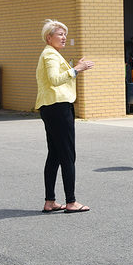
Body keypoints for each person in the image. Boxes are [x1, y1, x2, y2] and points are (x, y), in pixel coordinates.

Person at [35, 19, 94, 213]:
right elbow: (54, 80)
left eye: (65, 34)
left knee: (55, 155)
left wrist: (73, 68)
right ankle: (71, 201)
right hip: (58, 108)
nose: (64, 37)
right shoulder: (50, 55)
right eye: (60, 34)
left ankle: (50, 201)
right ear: (48, 37)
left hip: (51, 108)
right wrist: (77, 69)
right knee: (68, 155)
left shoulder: (51, 54)